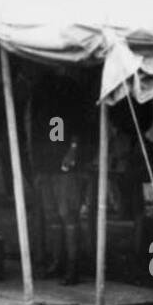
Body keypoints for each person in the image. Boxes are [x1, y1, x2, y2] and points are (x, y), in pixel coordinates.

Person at [27, 68, 92, 284]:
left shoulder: (70, 89)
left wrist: (72, 150)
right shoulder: (39, 89)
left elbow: (77, 125)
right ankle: (57, 261)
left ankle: (73, 267)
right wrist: (37, 166)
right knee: (52, 215)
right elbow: (35, 131)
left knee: (68, 215)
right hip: (45, 164)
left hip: (64, 164)